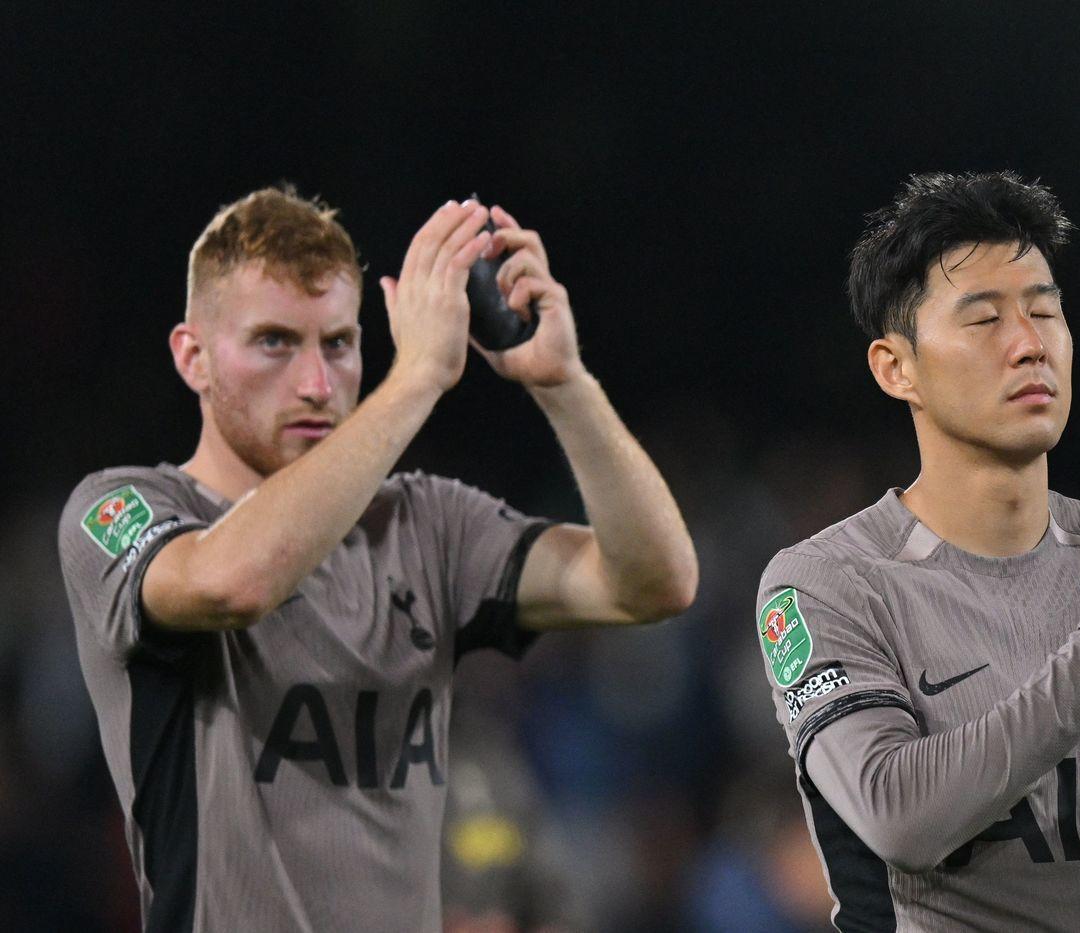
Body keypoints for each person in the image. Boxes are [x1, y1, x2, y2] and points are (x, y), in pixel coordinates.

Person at [57, 187, 698, 932]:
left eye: (337, 344)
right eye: (274, 342)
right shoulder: (121, 509)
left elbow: (654, 583)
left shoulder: (426, 525)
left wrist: (564, 385)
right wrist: (417, 377)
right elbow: (232, 583)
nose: (316, 384)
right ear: (192, 356)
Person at [754, 172, 1080, 931]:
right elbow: (901, 819)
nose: (1030, 344)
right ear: (896, 367)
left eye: (1044, 312)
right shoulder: (829, 583)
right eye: (983, 319)